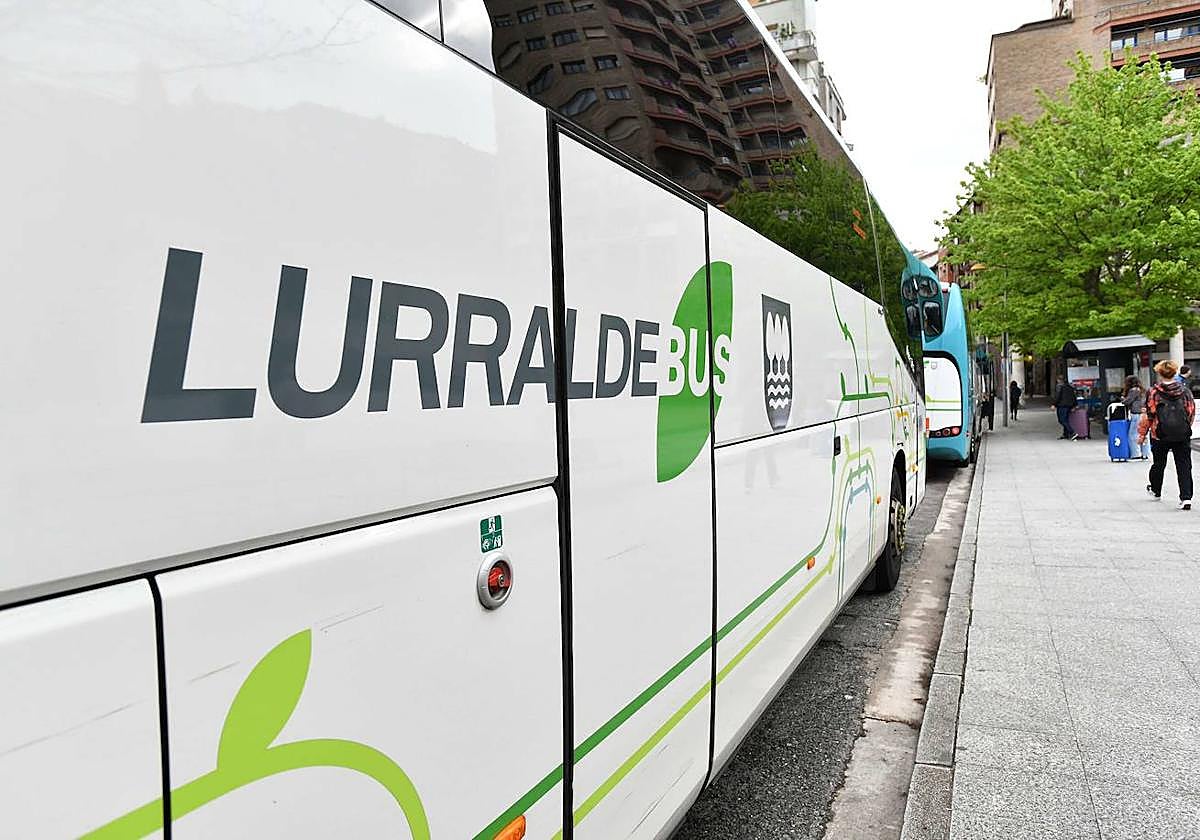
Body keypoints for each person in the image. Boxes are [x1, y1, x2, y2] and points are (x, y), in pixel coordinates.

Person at [1138, 360, 1195, 510]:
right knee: (1184, 465)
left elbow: (1148, 415)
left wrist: (1142, 434)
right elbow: (1190, 411)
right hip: (1181, 434)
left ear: (1159, 373)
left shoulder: (1153, 392)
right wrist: (1184, 426)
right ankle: (1186, 497)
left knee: (1159, 463)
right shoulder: (1185, 391)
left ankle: (1156, 489)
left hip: (1159, 433)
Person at [1122, 376, 1150, 460]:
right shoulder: (1142, 390)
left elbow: (1127, 401)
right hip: (1144, 414)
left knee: (1133, 434)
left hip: (1137, 414)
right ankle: (1145, 454)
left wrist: (1123, 399)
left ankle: (1136, 454)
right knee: (1144, 434)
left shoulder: (1133, 390)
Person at [1052, 375, 1078, 440]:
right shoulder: (1070, 387)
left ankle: (1072, 432)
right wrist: (1074, 405)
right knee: (1065, 420)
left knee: (1062, 420)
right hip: (1069, 406)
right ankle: (1065, 434)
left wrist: (1054, 404)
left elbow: (1058, 396)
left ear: (1059, 380)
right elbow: (1074, 396)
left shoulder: (1059, 386)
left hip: (1062, 405)